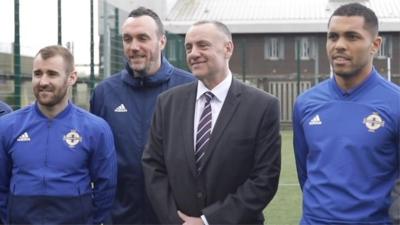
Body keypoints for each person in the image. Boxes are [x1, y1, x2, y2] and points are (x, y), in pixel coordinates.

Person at [142, 20, 281, 224]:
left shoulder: (262, 106)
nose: (193, 53)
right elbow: (153, 165)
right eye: (189, 47)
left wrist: (208, 221)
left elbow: (265, 179)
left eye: (202, 45)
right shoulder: (168, 103)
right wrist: (176, 220)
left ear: (228, 48)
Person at [293, 3, 400, 224]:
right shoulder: (305, 103)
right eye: (333, 37)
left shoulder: (395, 103)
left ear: (375, 44)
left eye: (352, 37)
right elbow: (305, 173)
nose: (339, 45)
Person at [90, 6, 195, 224]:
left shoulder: (191, 88)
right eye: (127, 39)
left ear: (162, 42)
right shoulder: (104, 93)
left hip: (176, 217)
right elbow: (96, 158)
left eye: (142, 38)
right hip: (120, 217)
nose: (133, 47)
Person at [0, 45, 117, 224]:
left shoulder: (96, 129)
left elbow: (106, 188)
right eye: (38, 73)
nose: (43, 81)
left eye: (52, 74)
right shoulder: (8, 126)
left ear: (72, 78)